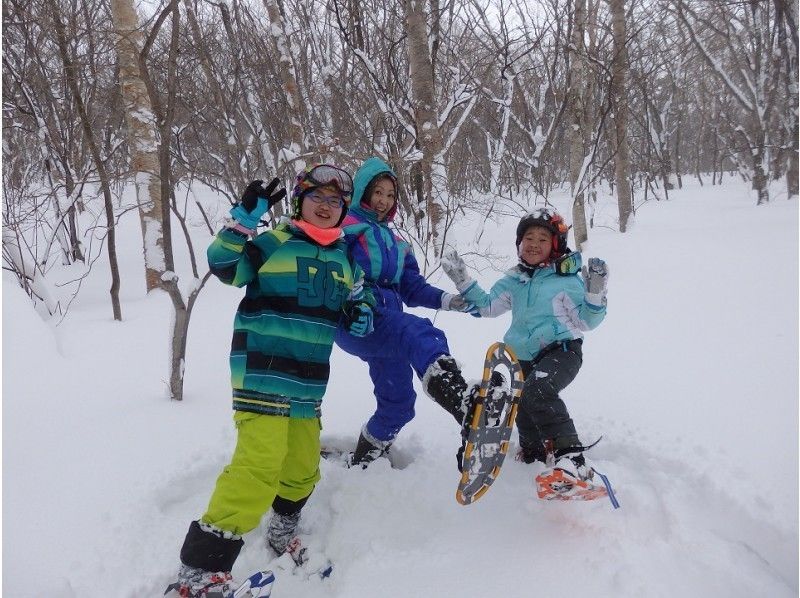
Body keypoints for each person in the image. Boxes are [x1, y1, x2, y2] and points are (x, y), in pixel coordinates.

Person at [166, 165, 375, 597]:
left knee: (302, 467)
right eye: (316, 197)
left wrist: (362, 314)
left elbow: (359, 298)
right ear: (299, 202)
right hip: (262, 374)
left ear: (343, 211)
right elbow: (224, 266)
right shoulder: (273, 242)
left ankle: (282, 531)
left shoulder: (344, 257)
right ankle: (199, 572)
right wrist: (243, 218)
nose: (325, 206)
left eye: (335, 202)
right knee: (258, 467)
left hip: (309, 384)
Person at [333, 156, 486, 468]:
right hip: (358, 319)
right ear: (362, 190)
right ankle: (463, 403)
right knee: (421, 332)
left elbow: (412, 288)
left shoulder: (397, 242)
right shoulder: (343, 227)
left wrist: (449, 300)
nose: (383, 200)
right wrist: (349, 304)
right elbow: (330, 269)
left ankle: (366, 457)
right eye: (378, 192)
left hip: (389, 329)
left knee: (399, 404)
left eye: (390, 195)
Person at [441, 207, 608, 481]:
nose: (534, 244)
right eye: (528, 237)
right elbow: (489, 306)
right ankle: (533, 452)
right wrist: (463, 280)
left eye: (543, 239)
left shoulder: (565, 280)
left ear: (555, 245)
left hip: (562, 351)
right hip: (523, 357)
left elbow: (586, 322)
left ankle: (572, 459)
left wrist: (595, 293)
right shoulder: (515, 279)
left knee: (539, 391)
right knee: (523, 406)